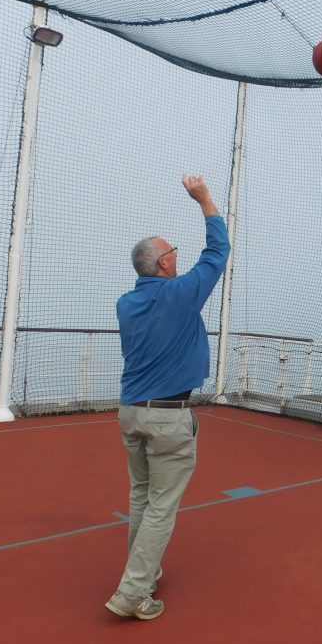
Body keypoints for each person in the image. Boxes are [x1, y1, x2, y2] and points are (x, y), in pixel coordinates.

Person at [105, 174, 230, 620]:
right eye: (173, 252)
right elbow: (217, 253)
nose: (179, 257)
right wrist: (205, 200)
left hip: (130, 414)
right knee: (161, 507)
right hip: (166, 418)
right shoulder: (179, 295)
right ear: (162, 264)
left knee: (142, 497)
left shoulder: (126, 303)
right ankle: (132, 593)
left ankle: (145, 573)